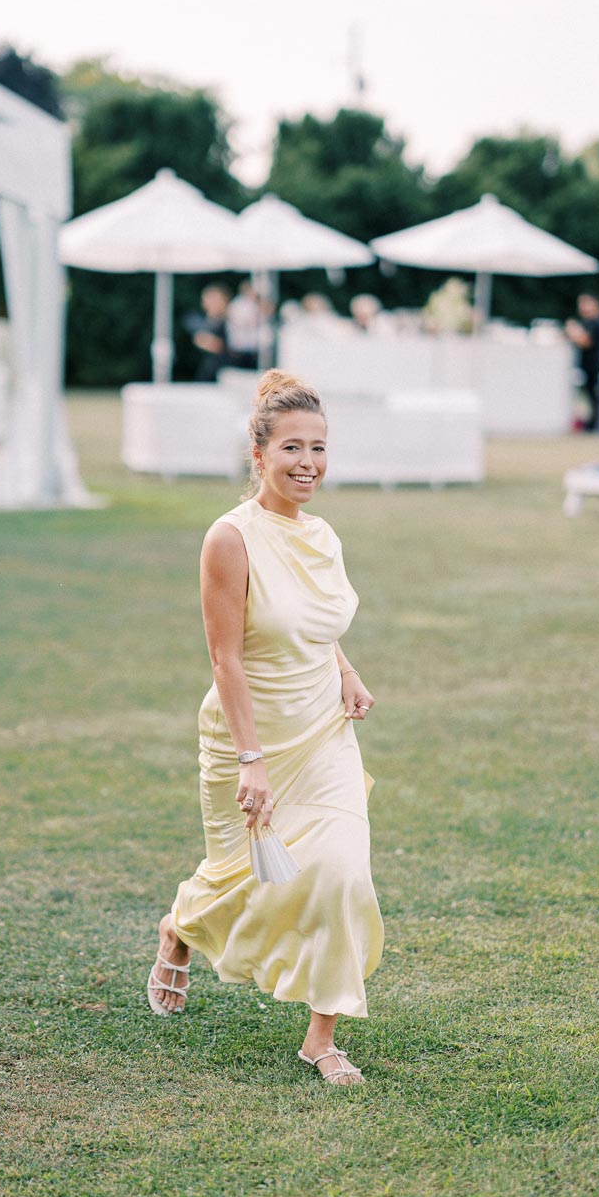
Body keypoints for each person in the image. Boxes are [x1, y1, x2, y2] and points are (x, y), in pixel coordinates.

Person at [147, 370, 384, 1087]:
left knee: (342, 872)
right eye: (291, 448)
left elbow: (312, 621)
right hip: (249, 738)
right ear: (259, 455)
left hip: (323, 733)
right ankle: (179, 927)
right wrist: (250, 759)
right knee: (242, 876)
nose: (307, 463)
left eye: (318, 448)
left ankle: (322, 1037)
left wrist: (343, 667)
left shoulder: (325, 535)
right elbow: (226, 655)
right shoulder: (229, 538)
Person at [565, 294, 599, 432]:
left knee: (593, 395)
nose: (582, 307)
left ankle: (594, 425)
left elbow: (586, 342)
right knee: (592, 395)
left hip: (593, 363)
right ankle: (594, 424)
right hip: (593, 363)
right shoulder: (595, 321)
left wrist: (572, 332)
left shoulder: (594, 322)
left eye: (585, 304)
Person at [185, 284, 232, 382]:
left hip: (228, 373)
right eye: (209, 300)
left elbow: (219, 346)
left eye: (215, 300)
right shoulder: (201, 322)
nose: (211, 303)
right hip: (207, 373)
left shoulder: (232, 322)